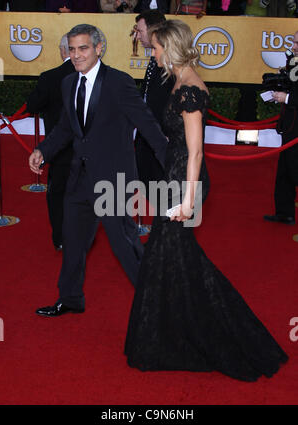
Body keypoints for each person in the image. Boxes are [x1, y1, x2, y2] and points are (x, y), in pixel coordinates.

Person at [125, 19, 288, 381]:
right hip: (176, 177)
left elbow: (196, 153)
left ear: (171, 47)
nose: (153, 53)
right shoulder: (181, 81)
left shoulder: (189, 91)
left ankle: (219, 332)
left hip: (186, 183)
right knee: (171, 258)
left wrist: (187, 201)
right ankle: (174, 330)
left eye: (156, 48)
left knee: (176, 258)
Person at [29, 24, 168, 317]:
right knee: (73, 241)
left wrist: (173, 164)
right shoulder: (69, 83)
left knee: (125, 245)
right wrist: (44, 150)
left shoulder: (119, 82)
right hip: (79, 178)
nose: (76, 55)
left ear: (98, 48)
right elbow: (67, 127)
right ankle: (70, 299)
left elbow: (147, 125)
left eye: (83, 49)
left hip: (113, 181)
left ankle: (156, 305)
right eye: (71, 49)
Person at [26, 34, 75, 251]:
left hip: (58, 148)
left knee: (58, 194)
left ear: (62, 50)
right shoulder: (93, 76)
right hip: (88, 147)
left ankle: (61, 238)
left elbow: (32, 106)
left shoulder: (49, 77)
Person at [134, 10, 174, 218]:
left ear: (153, 29)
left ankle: (165, 228)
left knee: (161, 185)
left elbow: (171, 101)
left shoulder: (170, 62)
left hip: (161, 137)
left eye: (140, 30)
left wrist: (166, 132)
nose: (137, 35)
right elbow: (148, 94)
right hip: (146, 133)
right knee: (145, 179)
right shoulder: (155, 58)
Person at [264, 31, 298, 225]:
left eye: (297, 42)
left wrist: (286, 98)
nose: (293, 46)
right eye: (293, 42)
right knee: (284, 169)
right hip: (290, 125)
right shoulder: (294, 61)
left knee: (294, 168)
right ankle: (284, 213)